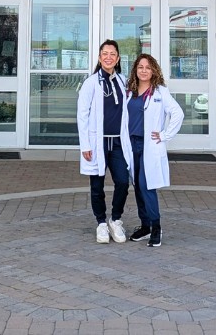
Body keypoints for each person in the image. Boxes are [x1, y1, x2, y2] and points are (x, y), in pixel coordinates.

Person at [122, 53, 184, 247]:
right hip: (131, 145)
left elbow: (177, 113)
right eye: (140, 67)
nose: (143, 70)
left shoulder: (160, 92)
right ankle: (145, 225)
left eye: (148, 67)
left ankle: (156, 227)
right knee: (137, 186)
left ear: (154, 70)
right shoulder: (129, 90)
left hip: (148, 145)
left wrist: (164, 135)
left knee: (147, 185)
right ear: (135, 70)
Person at [77, 40, 129, 244]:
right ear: (100, 58)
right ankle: (100, 223)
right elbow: (82, 115)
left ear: (117, 59)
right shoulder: (91, 83)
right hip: (96, 143)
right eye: (104, 54)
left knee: (123, 182)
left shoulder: (124, 81)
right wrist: (85, 145)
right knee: (96, 186)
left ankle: (115, 220)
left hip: (117, 143)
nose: (108, 57)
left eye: (112, 54)